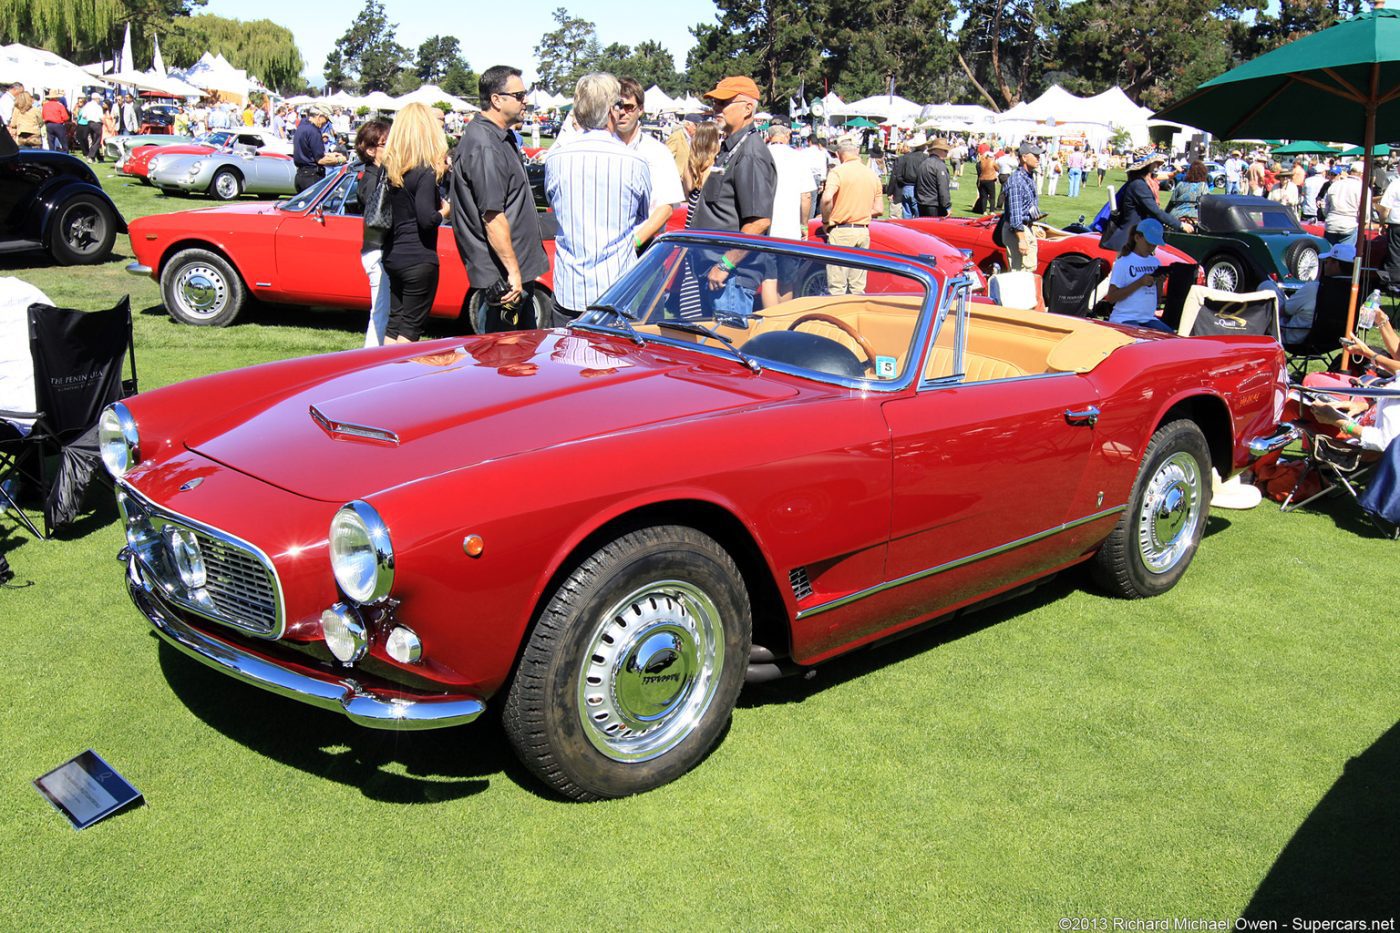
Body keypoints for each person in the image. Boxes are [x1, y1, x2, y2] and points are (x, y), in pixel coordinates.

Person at [543, 73, 650, 323]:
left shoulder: (556, 158)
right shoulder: (634, 161)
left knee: (568, 359)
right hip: (617, 288)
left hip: (569, 286)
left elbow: (553, 205)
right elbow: (641, 215)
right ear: (613, 111)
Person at [450, 64, 549, 333]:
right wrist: (513, 273)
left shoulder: (500, 137)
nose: (525, 100)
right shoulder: (484, 144)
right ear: (496, 99)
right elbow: (492, 215)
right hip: (504, 280)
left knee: (520, 358)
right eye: (519, 95)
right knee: (504, 360)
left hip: (512, 276)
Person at [379, 104, 450, 344]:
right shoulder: (425, 172)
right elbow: (426, 219)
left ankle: (385, 375)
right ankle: (401, 378)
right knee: (409, 330)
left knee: (394, 323)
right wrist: (445, 211)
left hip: (393, 254)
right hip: (418, 258)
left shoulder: (390, 170)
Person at [613, 77, 684, 250]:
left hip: (643, 246)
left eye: (629, 107)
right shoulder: (601, 148)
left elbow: (666, 207)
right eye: (618, 106)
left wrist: (635, 243)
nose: (623, 112)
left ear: (641, 109)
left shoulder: (657, 152)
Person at [820, 135, 883, 295]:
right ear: (857, 153)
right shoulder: (871, 175)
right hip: (863, 231)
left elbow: (827, 198)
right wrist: (859, 211)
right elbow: (879, 209)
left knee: (837, 286)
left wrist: (826, 220)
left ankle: (837, 317)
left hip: (841, 230)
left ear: (839, 155)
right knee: (858, 287)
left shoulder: (837, 172)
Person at [1104, 153, 1191, 252]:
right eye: (1155, 162)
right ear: (1147, 164)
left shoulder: (1140, 182)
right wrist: (1180, 225)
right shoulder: (1138, 185)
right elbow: (1155, 211)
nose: (1158, 165)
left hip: (1137, 238)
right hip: (1128, 242)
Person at [354, 120, 391, 347]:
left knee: (384, 313)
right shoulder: (370, 179)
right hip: (377, 253)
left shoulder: (377, 175)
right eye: (386, 144)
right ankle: (371, 360)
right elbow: (375, 214)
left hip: (379, 252)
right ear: (370, 150)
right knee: (380, 314)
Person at [1104, 219, 1172, 333]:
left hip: (1148, 319)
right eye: (1148, 243)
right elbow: (1111, 298)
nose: (1151, 247)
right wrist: (1139, 283)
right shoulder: (1123, 262)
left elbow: (1157, 301)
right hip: (1124, 318)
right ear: (1137, 238)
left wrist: (1160, 283)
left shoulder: (1155, 262)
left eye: (1154, 244)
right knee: (1141, 337)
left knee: (1170, 337)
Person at [765, 123, 813, 240]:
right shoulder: (799, 157)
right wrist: (804, 225)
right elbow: (806, 196)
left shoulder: (761, 155)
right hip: (790, 230)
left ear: (769, 137)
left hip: (763, 229)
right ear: (787, 135)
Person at [1003, 142, 1041, 272]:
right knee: (1020, 272)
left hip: (1026, 228)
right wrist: (1022, 240)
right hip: (1018, 231)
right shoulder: (1016, 181)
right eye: (1035, 155)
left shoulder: (1028, 177)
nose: (1038, 158)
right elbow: (1015, 214)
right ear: (1024, 158)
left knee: (1028, 269)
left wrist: (1034, 226)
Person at [292, 105, 345, 192]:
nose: (326, 123)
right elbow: (320, 160)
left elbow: (309, 152)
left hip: (300, 176)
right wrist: (339, 160)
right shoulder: (314, 131)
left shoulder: (302, 126)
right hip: (312, 177)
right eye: (326, 120)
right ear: (319, 116)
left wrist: (329, 155)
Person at [1323, 163, 1364, 245]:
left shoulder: (1335, 185)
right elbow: (1365, 212)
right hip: (1350, 224)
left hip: (1332, 223)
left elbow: (1325, 205)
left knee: (1329, 253)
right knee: (1345, 255)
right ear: (1362, 174)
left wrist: (1328, 215)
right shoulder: (1362, 188)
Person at [891, 133, 926, 219]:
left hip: (906, 187)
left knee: (907, 216)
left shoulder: (905, 158)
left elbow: (898, 175)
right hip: (918, 189)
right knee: (918, 217)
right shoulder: (926, 158)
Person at [915, 137, 952, 218]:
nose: (947, 153)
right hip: (934, 205)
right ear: (936, 150)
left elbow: (917, 184)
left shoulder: (923, 164)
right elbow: (943, 188)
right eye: (945, 150)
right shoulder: (939, 166)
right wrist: (947, 206)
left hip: (921, 203)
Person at [76, 93, 102, 159]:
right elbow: (101, 116)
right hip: (96, 123)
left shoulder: (87, 105)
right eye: (99, 99)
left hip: (89, 123)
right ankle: (91, 155)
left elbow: (84, 115)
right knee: (96, 141)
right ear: (96, 99)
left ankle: (97, 156)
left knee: (93, 140)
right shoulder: (98, 107)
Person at [973, 147, 997, 214]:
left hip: (982, 179)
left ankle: (984, 211)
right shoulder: (992, 162)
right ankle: (992, 211)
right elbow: (998, 168)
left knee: (984, 196)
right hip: (990, 179)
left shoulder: (981, 162)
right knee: (992, 196)